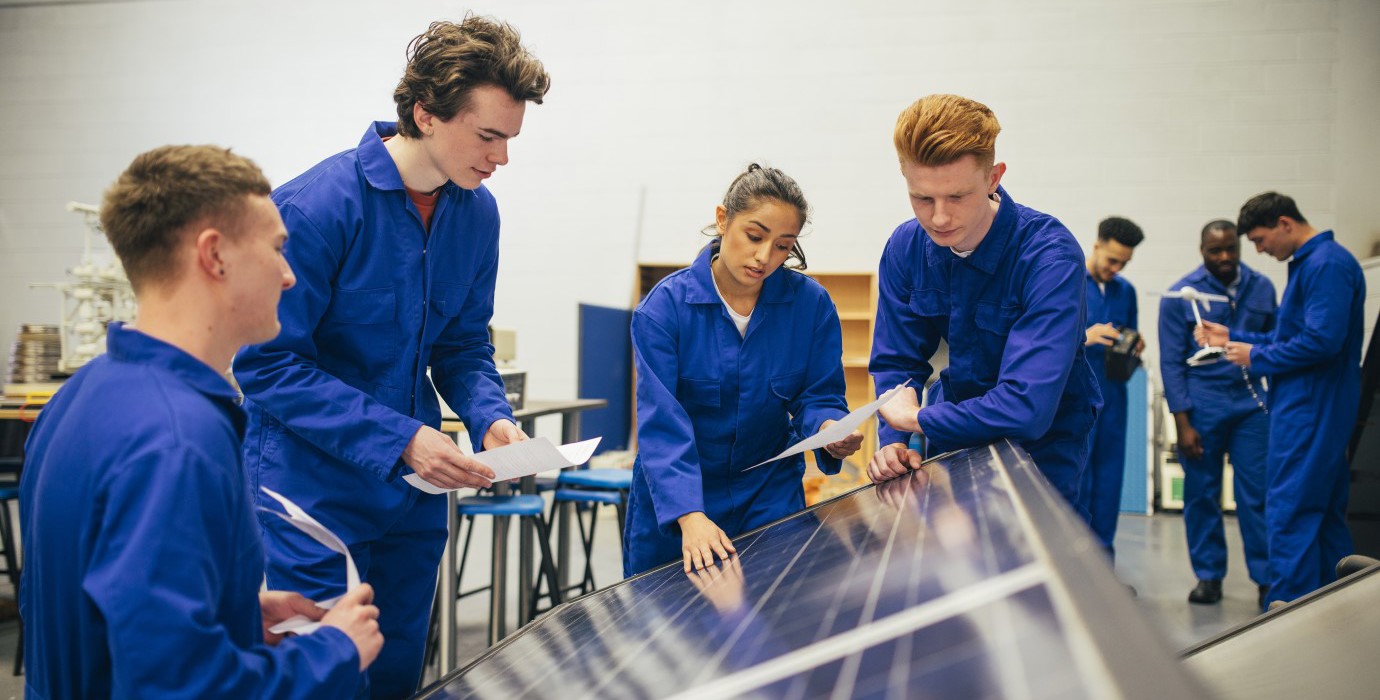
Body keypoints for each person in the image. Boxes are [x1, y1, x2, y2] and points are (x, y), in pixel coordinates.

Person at [231, 17, 549, 697]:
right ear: (426, 114)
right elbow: (265, 365)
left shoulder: (476, 213)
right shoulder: (316, 208)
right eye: (488, 136)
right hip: (311, 492)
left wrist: (489, 416)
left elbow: (462, 344)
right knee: (325, 676)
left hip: (411, 499)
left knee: (398, 669)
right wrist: (403, 438)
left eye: (510, 139)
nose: (501, 158)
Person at [19, 146, 382, 698]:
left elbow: (97, 608)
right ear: (215, 256)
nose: (289, 277)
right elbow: (182, 688)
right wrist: (333, 650)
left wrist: (232, 608)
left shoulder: (81, 397)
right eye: (278, 249)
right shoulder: (177, 439)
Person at [870, 94, 1102, 522]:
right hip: (950, 431)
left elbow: (1027, 407)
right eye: (922, 199)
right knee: (956, 564)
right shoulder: (906, 248)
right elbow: (896, 361)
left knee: (1039, 556)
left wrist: (917, 419)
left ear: (994, 177)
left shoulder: (1048, 256)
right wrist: (893, 440)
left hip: (1044, 443)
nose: (938, 218)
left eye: (957, 197)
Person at [624, 164, 863, 576]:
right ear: (722, 219)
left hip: (768, 494)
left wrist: (828, 430)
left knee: (775, 617)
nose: (764, 257)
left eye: (783, 246)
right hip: (679, 496)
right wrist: (689, 515)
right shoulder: (663, 311)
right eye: (754, 236)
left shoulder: (811, 306)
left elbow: (819, 395)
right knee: (668, 630)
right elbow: (663, 425)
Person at [1197, 192, 1363, 609]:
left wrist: (1257, 357)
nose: (1258, 250)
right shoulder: (1313, 264)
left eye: (1260, 239)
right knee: (1323, 516)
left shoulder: (1326, 265)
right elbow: (1291, 336)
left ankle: (1289, 610)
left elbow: (1322, 342)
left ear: (1285, 223)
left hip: (1311, 407)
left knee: (1290, 511)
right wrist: (1235, 340)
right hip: (1310, 404)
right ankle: (1336, 607)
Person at [1160, 220, 1276, 607]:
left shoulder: (1261, 288)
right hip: (1202, 402)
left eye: (1231, 248)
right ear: (1201, 250)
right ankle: (1208, 576)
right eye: (1215, 251)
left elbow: (1276, 345)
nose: (1224, 257)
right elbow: (1172, 363)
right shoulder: (1180, 296)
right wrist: (1183, 423)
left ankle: (1266, 577)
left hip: (1250, 406)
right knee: (1202, 493)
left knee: (1257, 494)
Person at [1081, 216, 1145, 557]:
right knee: (1079, 481)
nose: (1116, 269)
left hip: (1114, 397)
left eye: (1124, 263)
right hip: (1076, 400)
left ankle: (1104, 565)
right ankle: (1077, 567)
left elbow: (1129, 335)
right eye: (1112, 260)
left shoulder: (1126, 291)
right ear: (1096, 246)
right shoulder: (1067, 282)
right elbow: (1041, 339)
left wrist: (1135, 345)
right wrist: (1084, 336)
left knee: (1108, 482)